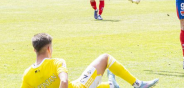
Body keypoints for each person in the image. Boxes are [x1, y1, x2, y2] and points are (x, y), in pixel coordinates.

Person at [21, 33, 158, 88]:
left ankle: (111, 85)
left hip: (76, 84)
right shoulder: (57, 62)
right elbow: (63, 81)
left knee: (92, 82)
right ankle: (138, 84)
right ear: (49, 48)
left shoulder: (27, 74)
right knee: (105, 58)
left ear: (34, 50)